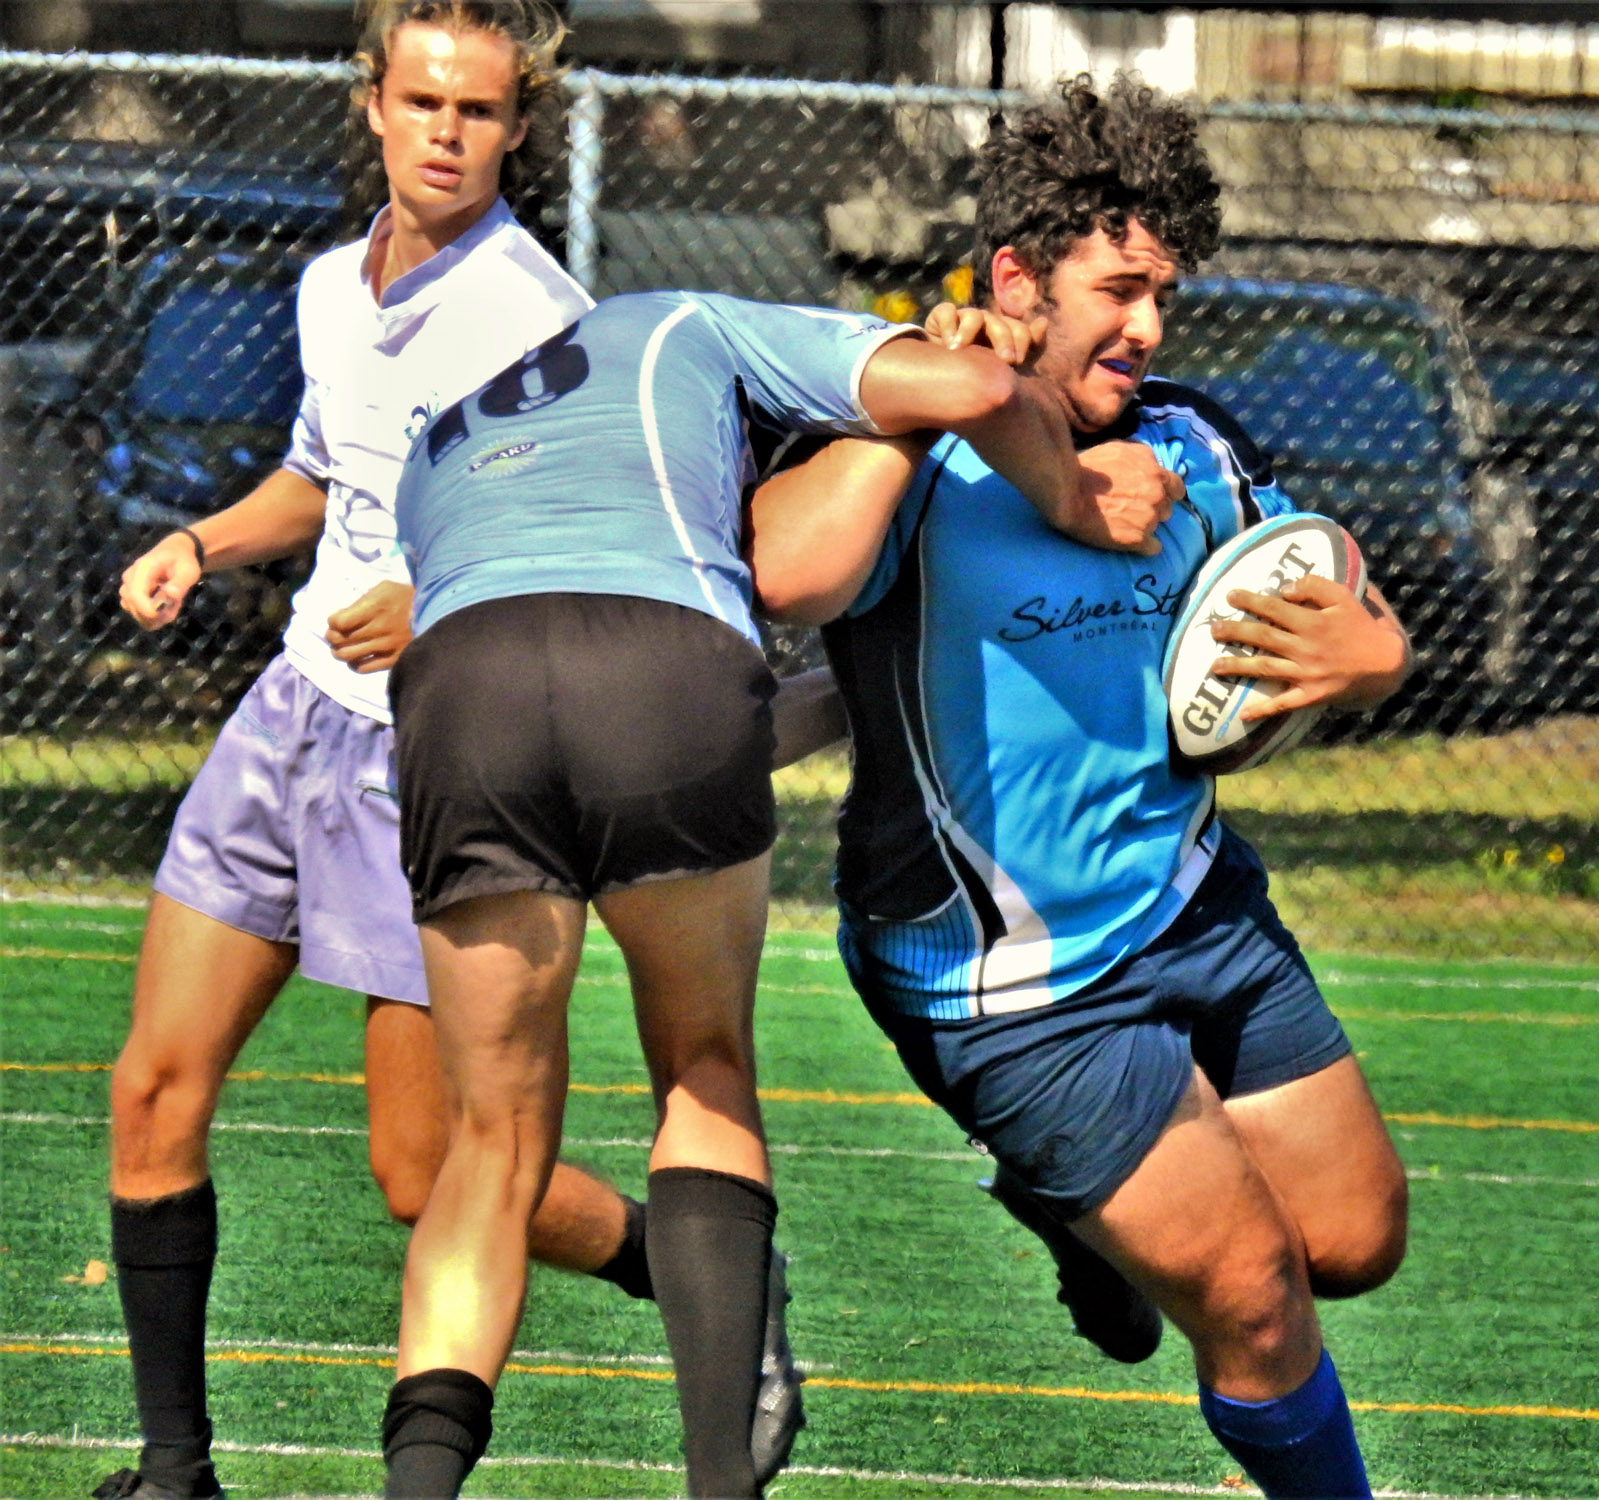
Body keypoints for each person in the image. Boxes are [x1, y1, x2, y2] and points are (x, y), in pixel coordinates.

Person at [87, 6, 772, 1497]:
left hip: (432, 748)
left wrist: (441, 592)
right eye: (422, 101)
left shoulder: (536, 311)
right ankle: (175, 1469)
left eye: (476, 109)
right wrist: (203, 541)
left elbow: (587, 528)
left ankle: (690, 1266)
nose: (446, 131)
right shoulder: (330, 283)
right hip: (288, 715)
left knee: (427, 1170)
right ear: (374, 106)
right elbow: (317, 475)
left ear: (520, 127)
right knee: (152, 1088)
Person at [377, 287, 1177, 1499]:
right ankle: (718, 1482)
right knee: (702, 1072)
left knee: (489, 1144)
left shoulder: (439, 444)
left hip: (456, 690)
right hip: (663, 666)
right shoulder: (682, 320)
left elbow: (579, 675)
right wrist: (1068, 492)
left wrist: (832, 701)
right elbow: (968, 388)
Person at [746, 75, 1412, 1499]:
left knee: (1353, 1241)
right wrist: (929, 393)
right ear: (1014, 284)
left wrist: (1371, 658)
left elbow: (1329, 595)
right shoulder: (913, 459)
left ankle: (1075, 1216)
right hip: (1007, 981)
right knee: (1252, 1296)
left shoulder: (1190, 440)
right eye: (1119, 291)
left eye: (1164, 293)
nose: (1150, 327)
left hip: (1197, 903)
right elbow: (788, 573)